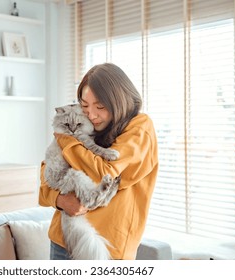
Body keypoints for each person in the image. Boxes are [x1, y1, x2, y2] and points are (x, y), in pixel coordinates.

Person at [39, 63, 158, 260]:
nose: (91, 115)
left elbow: (104, 172)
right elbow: (46, 179)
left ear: (119, 102)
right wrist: (60, 200)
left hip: (107, 251)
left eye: (100, 107)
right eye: (84, 106)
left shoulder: (140, 127)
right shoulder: (83, 126)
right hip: (63, 242)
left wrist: (66, 140)